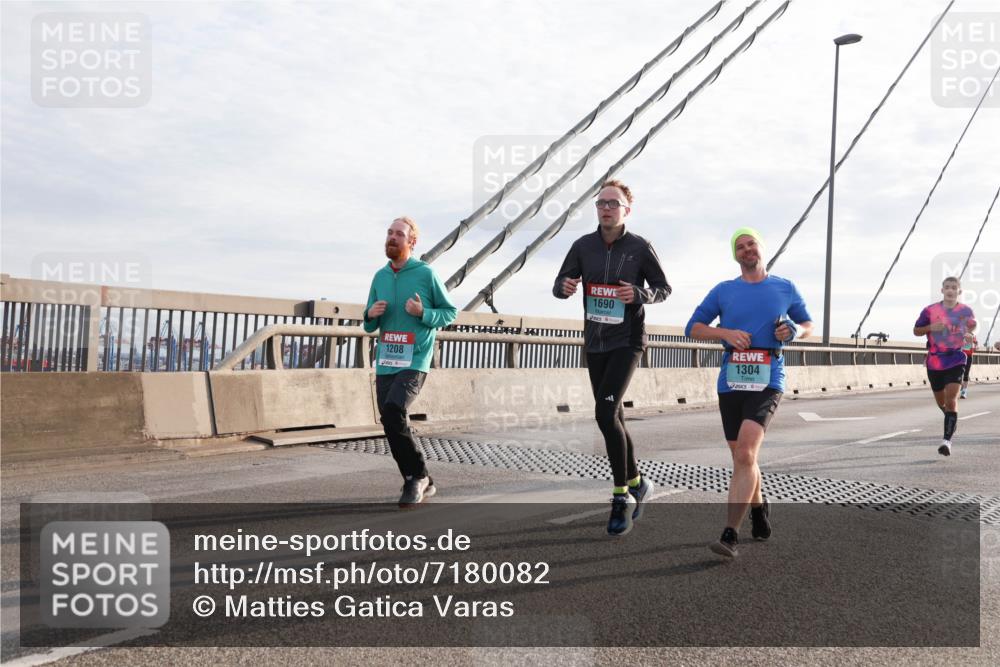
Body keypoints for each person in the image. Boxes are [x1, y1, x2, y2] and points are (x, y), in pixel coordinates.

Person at [553, 179, 671, 536]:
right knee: (614, 416)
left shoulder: (639, 247)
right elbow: (560, 283)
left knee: (604, 412)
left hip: (627, 341)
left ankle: (622, 497)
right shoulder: (583, 246)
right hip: (595, 342)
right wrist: (564, 287)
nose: (606, 208)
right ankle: (637, 482)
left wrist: (637, 293)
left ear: (626, 210)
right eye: (601, 202)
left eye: (613, 203)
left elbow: (663, 289)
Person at [685, 228, 813, 558]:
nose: (746, 250)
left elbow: (808, 324)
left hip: (769, 375)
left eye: (750, 244)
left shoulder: (784, 287)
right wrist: (725, 331)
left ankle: (729, 535)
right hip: (732, 378)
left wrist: (795, 330)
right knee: (743, 457)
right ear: (735, 255)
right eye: (739, 247)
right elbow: (693, 327)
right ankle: (758, 507)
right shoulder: (724, 291)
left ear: (761, 248)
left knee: (744, 454)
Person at [363, 216, 457, 506]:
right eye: (389, 233)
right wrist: (370, 315)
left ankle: (415, 479)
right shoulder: (379, 276)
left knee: (393, 410)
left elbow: (450, 312)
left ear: (411, 242)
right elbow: (367, 325)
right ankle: (418, 475)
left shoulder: (425, 274)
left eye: (399, 234)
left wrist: (422, 313)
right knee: (390, 421)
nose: (392, 238)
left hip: (415, 360)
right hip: (386, 360)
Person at [913, 277, 977, 456]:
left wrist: (970, 335)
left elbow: (973, 326)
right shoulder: (930, 310)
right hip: (934, 362)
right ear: (942, 290)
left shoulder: (965, 311)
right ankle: (950, 419)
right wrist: (931, 327)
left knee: (951, 400)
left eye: (954, 288)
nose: (950, 290)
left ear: (959, 291)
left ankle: (946, 441)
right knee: (941, 403)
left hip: (956, 359)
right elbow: (916, 330)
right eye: (947, 287)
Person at [960, 332, 977, 399]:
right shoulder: (959, 333)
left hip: (969, 356)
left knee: (966, 373)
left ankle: (964, 391)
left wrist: (974, 344)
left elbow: (973, 347)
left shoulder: (973, 335)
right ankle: (961, 385)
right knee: (959, 373)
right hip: (960, 356)